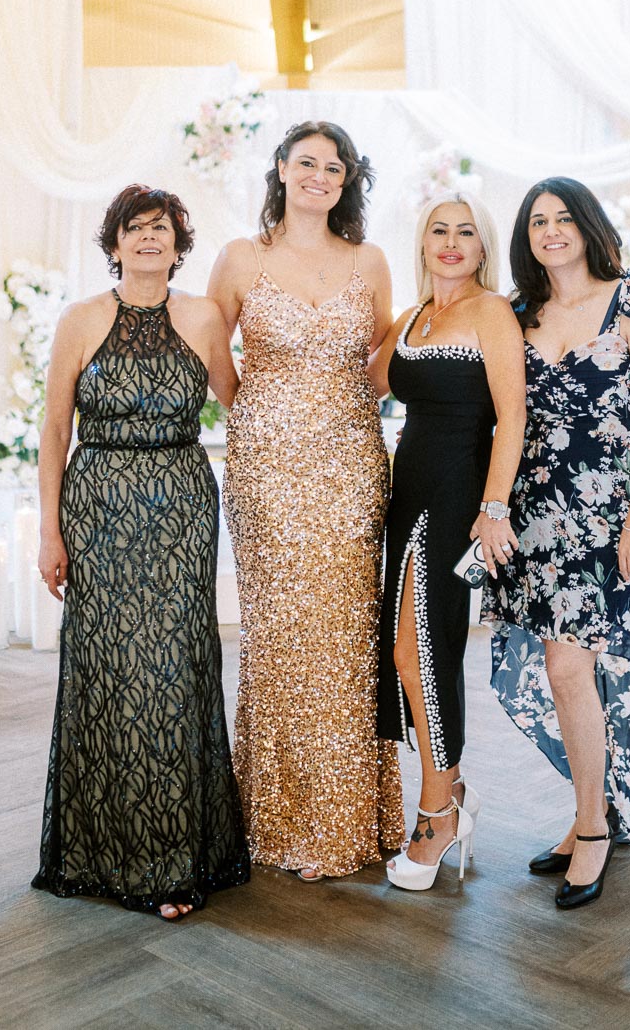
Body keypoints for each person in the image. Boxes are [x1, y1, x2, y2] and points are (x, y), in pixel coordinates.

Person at [32, 185, 250, 920]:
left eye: (161, 228)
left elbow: (238, 400)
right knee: (105, 669)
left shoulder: (203, 316)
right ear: (115, 242)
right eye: (136, 228)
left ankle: (172, 858)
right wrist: (49, 529)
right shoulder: (81, 321)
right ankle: (103, 853)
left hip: (183, 505)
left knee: (173, 670)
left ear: (178, 242)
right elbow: (54, 431)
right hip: (97, 507)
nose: (149, 239)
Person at [207, 121, 405, 880]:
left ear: (348, 180)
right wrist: (254, 411)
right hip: (267, 474)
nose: (321, 176)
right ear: (282, 171)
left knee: (350, 637)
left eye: (336, 167)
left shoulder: (371, 261)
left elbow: (385, 362)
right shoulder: (240, 258)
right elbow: (209, 343)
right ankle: (279, 817)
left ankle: (351, 817)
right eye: (308, 163)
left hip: (352, 469)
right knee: (283, 636)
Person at [484, 177, 630, 910]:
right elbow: (499, 412)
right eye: (538, 221)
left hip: (609, 524)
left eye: (565, 218)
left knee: (572, 670)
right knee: (566, 674)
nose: (552, 230)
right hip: (535, 520)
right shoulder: (517, 313)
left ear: (589, 226)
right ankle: (588, 814)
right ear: (526, 237)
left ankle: (594, 828)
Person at [371, 193, 525, 891]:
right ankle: (451, 792)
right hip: (408, 495)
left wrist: (493, 507)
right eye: (441, 230)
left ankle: (437, 813)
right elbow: (364, 382)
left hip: (458, 495)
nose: (453, 242)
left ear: (484, 248)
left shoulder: (491, 313)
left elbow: (513, 416)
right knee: (404, 650)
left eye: (467, 232)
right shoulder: (412, 319)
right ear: (423, 242)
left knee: (425, 651)